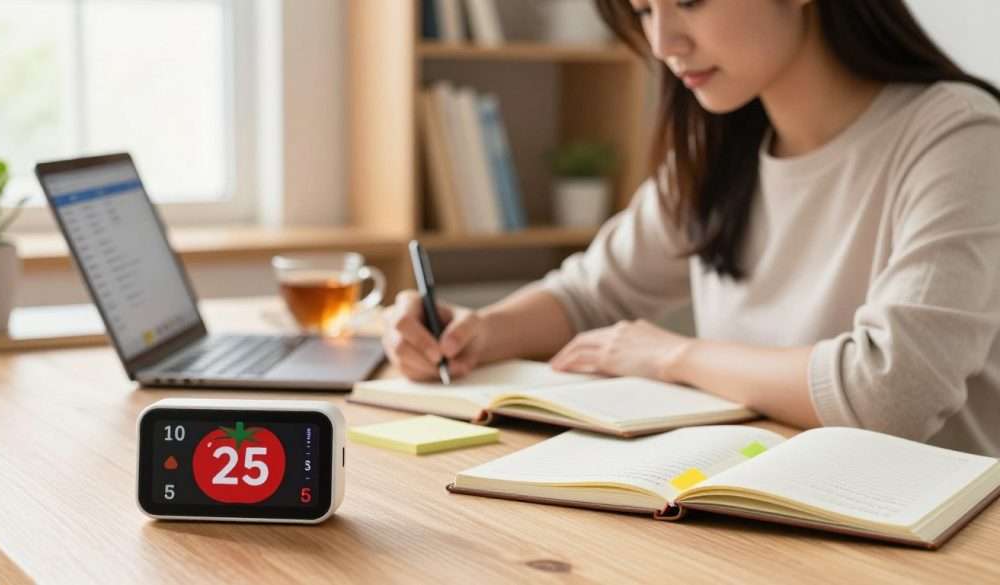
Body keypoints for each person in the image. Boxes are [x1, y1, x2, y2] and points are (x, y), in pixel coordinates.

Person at [382, 0, 1000, 456]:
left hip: (933, 541)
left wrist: (675, 356)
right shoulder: (720, 147)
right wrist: (475, 333)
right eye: (643, 10)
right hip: (760, 510)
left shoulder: (959, 136)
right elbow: (592, 293)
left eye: (687, 2)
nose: (662, 42)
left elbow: (891, 391)